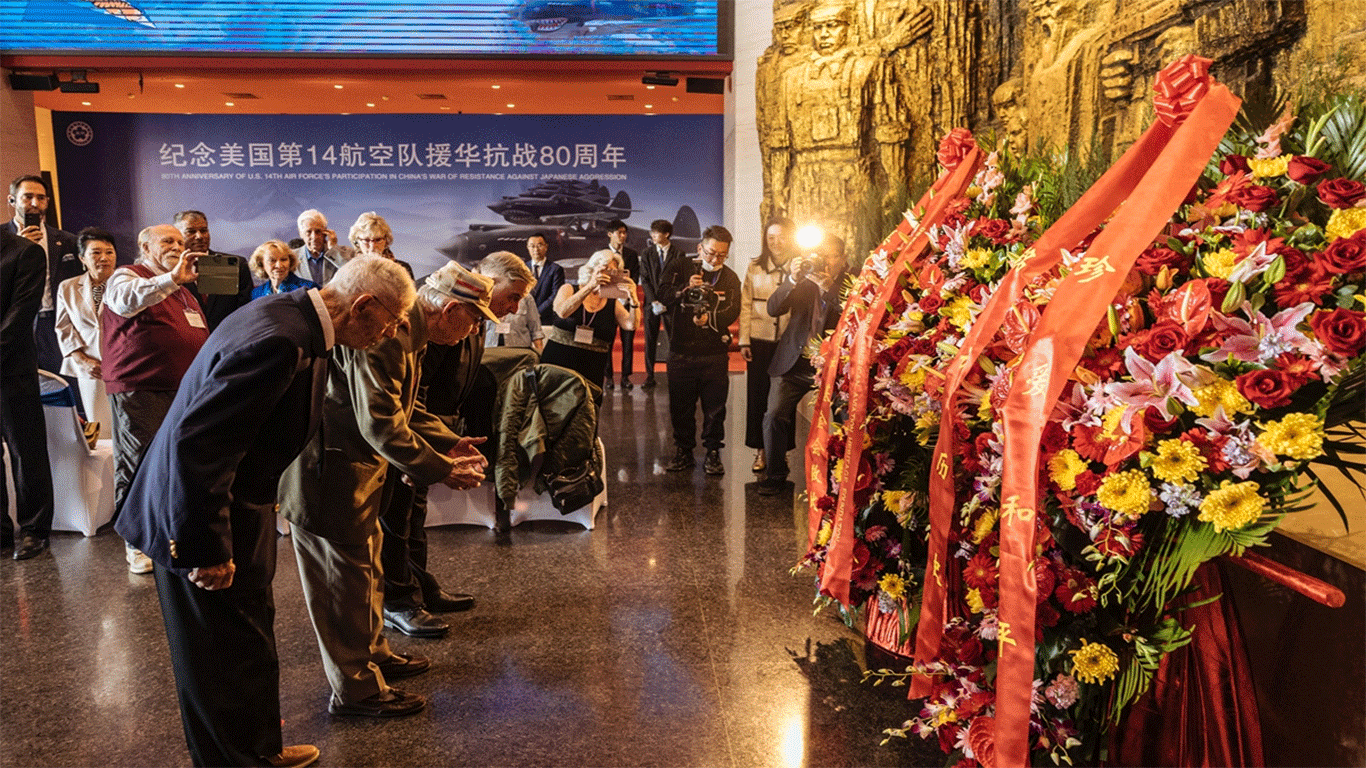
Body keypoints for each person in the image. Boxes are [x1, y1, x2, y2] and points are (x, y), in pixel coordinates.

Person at [115, 256, 416, 768]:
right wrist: (206, 548)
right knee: (220, 653)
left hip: (237, 503)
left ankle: (258, 753)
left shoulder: (295, 318)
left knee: (247, 640)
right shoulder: (281, 340)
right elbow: (200, 447)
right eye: (390, 321)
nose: (391, 333)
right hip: (198, 515)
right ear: (363, 305)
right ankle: (237, 761)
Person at [278, 260, 491, 720]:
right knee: (342, 586)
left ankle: (374, 656)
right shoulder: (392, 336)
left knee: (365, 573)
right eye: (474, 320)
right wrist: (442, 469)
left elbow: (404, 409)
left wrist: (449, 441)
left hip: (353, 472)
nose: (474, 332)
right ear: (450, 308)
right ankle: (356, 691)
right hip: (329, 472)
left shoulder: (408, 329)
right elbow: (379, 423)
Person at [380, 251, 532, 629]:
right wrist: (433, 448)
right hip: (410, 434)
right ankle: (400, 600)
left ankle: (420, 586)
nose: (513, 308)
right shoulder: (427, 319)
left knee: (414, 518)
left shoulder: (466, 315)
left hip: (432, 430)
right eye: (511, 297)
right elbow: (409, 398)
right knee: (396, 519)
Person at [103, 224, 211, 574]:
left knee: (173, 467)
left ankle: (167, 537)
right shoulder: (127, 276)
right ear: (144, 246)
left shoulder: (184, 290)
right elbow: (123, 300)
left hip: (182, 391)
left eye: (180, 242)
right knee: (138, 464)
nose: (176, 246)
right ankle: (137, 543)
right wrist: (171, 280)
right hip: (140, 387)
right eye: (168, 241)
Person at [757, 232, 849, 496]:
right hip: (794, 362)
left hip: (835, 366)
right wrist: (792, 279)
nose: (826, 263)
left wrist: (829, 289)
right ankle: (775, 475)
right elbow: (773, 308)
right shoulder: (803, 279)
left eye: (832, 257)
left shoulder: (851, 280)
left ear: (843, 259)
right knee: (774, 415)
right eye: (822, 257)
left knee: (846, 419)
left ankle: (843, 476)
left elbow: (855, 314)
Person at [659, 226, 740, 476]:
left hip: (714, 352)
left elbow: (733, 310)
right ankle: (683, 450)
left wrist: (711, 320)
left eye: (722, 255)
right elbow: (662, 294)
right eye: (711, 253)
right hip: (680, 350)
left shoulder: (730, 277)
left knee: (715, 407)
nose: (715, 260)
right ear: (699, 248)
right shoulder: (678, 266)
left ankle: (713, 452)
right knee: (681, 406)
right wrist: (683, 289)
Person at [1, 228, 55, 560]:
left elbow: (21, 314)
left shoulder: (26, 252)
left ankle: (35, 530)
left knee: (26, 451)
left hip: (11, 370)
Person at [3, 174, 82, 379]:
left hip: (56, 324)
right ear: (12, 200)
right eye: (27, 197)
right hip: (15, 326)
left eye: (41, 197)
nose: (35, 203)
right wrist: (17, 247)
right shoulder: (3, 239)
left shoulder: (68, 241)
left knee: (64, 388)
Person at [541, 249, 640, 402]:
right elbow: (562, 312)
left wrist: (633, 299)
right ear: (592, 268)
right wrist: (590, 286)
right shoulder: (568, 289)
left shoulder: (612, 302)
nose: (608, 275)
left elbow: (631, 324)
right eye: (605, 269)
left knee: (587, 414)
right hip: (560, 361)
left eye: (614, 272)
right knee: (552, 410)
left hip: (592, 366)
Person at [738, 217, 797, 475]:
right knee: (758, 397)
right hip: (760, 340)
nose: (776, 242)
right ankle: (760, 450)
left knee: (785, 400)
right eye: (771, 237)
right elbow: (745, 304)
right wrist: (744, 339)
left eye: (781, 236)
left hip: (788, 342)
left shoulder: (799, 267)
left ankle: (780, 453)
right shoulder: (755, 267)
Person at [55, 227, 118, 441]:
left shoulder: (127, 285)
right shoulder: (68, 288)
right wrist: (81, 359)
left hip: (124, 366)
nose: (104, 258)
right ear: (82, 258)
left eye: (109, 252)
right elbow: (64, 328)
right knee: (100, 428)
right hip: (91, 368)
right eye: (96, 252)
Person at [174, 210, 253, 330]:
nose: (200, 236)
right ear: (178, 235)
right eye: (191, 231)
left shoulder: (236, 265)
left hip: (228, 338)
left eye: (204, 230)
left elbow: (245, 309)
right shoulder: (172, 271)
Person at [637, 218, 687, 389]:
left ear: (666, 234)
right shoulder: (646, 253)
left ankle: (675, 374)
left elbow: (681, 280)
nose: (653, 235)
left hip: (671, 304)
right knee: (649, 340)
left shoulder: (679, 253)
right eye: (652, 232)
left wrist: (668, 299)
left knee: (673, 339)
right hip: (652, 304)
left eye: (656, 232)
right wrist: (654, 300)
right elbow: (644, 279)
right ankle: (649, 376)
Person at [602, 219, 639, 390]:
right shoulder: (601, 255)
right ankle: (608, 376)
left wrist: (626, 296)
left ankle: (625, 376)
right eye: (619, 233)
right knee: (607, 343)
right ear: (610, 234)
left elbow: (635, 279)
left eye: (625, 233)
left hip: (625, 302)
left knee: (628, 342)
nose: (623, 236)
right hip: (607, 304)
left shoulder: (631, 254)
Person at [293, 208, 351, 285]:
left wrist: (333, 249)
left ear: (326, 232)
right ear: (301, 234)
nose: (314, 236)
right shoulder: (292, 257)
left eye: (318, 231)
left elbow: (352, 274)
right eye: (308, 232)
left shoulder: (345, 253)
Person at [349, 212, 414, 278]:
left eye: (378, 240)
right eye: (366, 240)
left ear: (386, 241)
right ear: (356, 242)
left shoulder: (403, 269)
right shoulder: (347, 270)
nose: (372, 246)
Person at [250, 240, 319, 299]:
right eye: (272, 260)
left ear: (290, 261)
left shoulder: (309, 288)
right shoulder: (256, 294)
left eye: (283, 260)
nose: (279, 265)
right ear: (261, 264)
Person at [525, 231, 564, 326]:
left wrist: (537, 313)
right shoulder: (522, 268)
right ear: (527, 248)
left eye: (539, 245)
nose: (536, 250)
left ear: (546, 247)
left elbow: (555, 295)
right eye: (532, 246)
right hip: (524, 318)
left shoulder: (556, 269)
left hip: (546, 319)